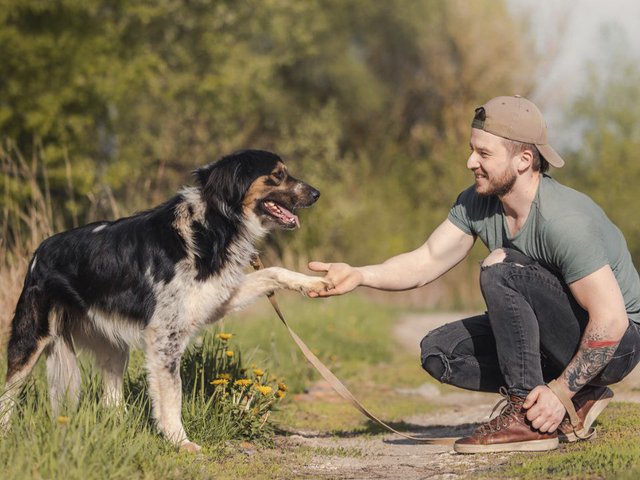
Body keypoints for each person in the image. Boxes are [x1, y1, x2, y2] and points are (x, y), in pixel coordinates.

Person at [307, 95, 640, 454]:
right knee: (440, 352)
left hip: (618, 345)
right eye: (472, 150)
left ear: (524, 160)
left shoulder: (564, 221)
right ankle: (575, 400)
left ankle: (527, 416)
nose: (470, 162)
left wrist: (560, 391)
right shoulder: (478, 202)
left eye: (484, 154)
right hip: (565, 338)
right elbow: (427, 259)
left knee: (500, 266)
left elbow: (611, 320)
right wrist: (359, 274)